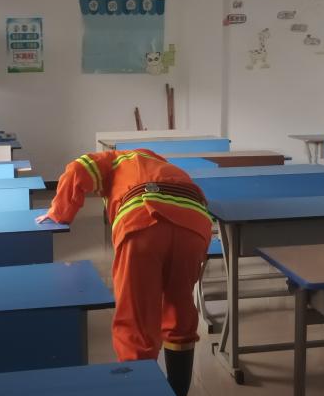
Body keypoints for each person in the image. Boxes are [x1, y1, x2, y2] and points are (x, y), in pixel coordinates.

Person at [36, 149, 212, 396]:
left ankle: (139, 386)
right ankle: (178, 391)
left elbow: (77, 169)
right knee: (179, 309)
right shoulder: (164, 166)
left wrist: (59, 213)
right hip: (194, 226)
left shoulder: (113, 159)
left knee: (136, 321)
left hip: (143, 223)